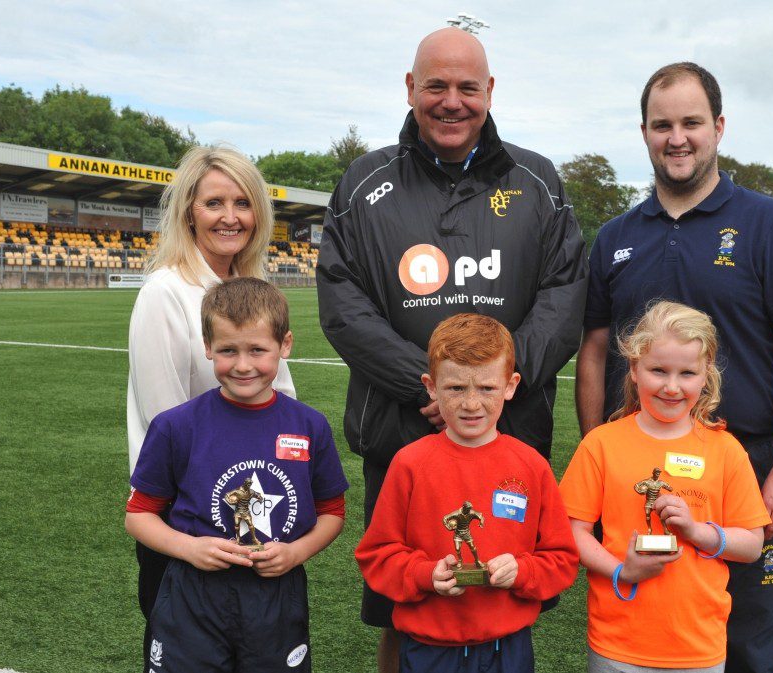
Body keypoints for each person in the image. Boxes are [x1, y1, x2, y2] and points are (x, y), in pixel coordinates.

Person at [317, 26, 587, 671]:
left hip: (510, 437)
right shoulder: (363, 182)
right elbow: (342, 301)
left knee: (506, 589)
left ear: (489, 91)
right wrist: (431, 385)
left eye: (467, 87)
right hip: (402, 434)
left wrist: (488, 386)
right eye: (435, 85)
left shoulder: (537, 182)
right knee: (400, 599)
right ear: (411, 88)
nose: (451, 101)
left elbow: (565, 294)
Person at [575, 62, 773, 673]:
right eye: (662, 125)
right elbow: (594, 351)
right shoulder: (615, 237)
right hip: (639, 465)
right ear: (644, 133)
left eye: (691, 122)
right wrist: (597, 453)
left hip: (746, 462)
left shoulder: (768, 221)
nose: (677, 137)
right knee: (644, 620)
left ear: (718, 127)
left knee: (750, 635)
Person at [126, 144, 297, 670]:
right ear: (188, 213)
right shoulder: (165, 291)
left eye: (243, 203)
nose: (230, 217)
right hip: (187, 522)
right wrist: (208, 517)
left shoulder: (251, 288)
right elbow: (165, 422)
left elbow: (282, 398)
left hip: (250, 511)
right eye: (214, 203)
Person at [125, 277, 348, 672]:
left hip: (276, 596)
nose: (243, 365)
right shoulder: (176, 426)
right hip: (192, 596)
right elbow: (138, 515)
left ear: (285, 345)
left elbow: (333, 512)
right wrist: (189, 548)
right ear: (207, 348)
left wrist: (295, 553)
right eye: (228, 350)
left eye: (257, 350)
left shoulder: (309, 426)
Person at [355, 313, 578, 673]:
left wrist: (522, 571)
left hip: (508, 647)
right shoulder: (409, 464)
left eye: (487, 389)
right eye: (456, 388)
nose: (471, 404)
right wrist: (425, 575)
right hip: (429, 648)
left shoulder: (531, 465)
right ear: (431, 386)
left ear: (510, 385)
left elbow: (562, 558)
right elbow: (377, 555)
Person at [562, 301, 771, 672]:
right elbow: (572, 531)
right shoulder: (600, 444)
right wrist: (621, 571)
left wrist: (697, 532)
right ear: (634, 369)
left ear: (706, 373)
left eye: (687, 373)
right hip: (618, 643)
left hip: (699, 646)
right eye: (658, 370)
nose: (672, 387)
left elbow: (752, 544)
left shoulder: (726, 451)